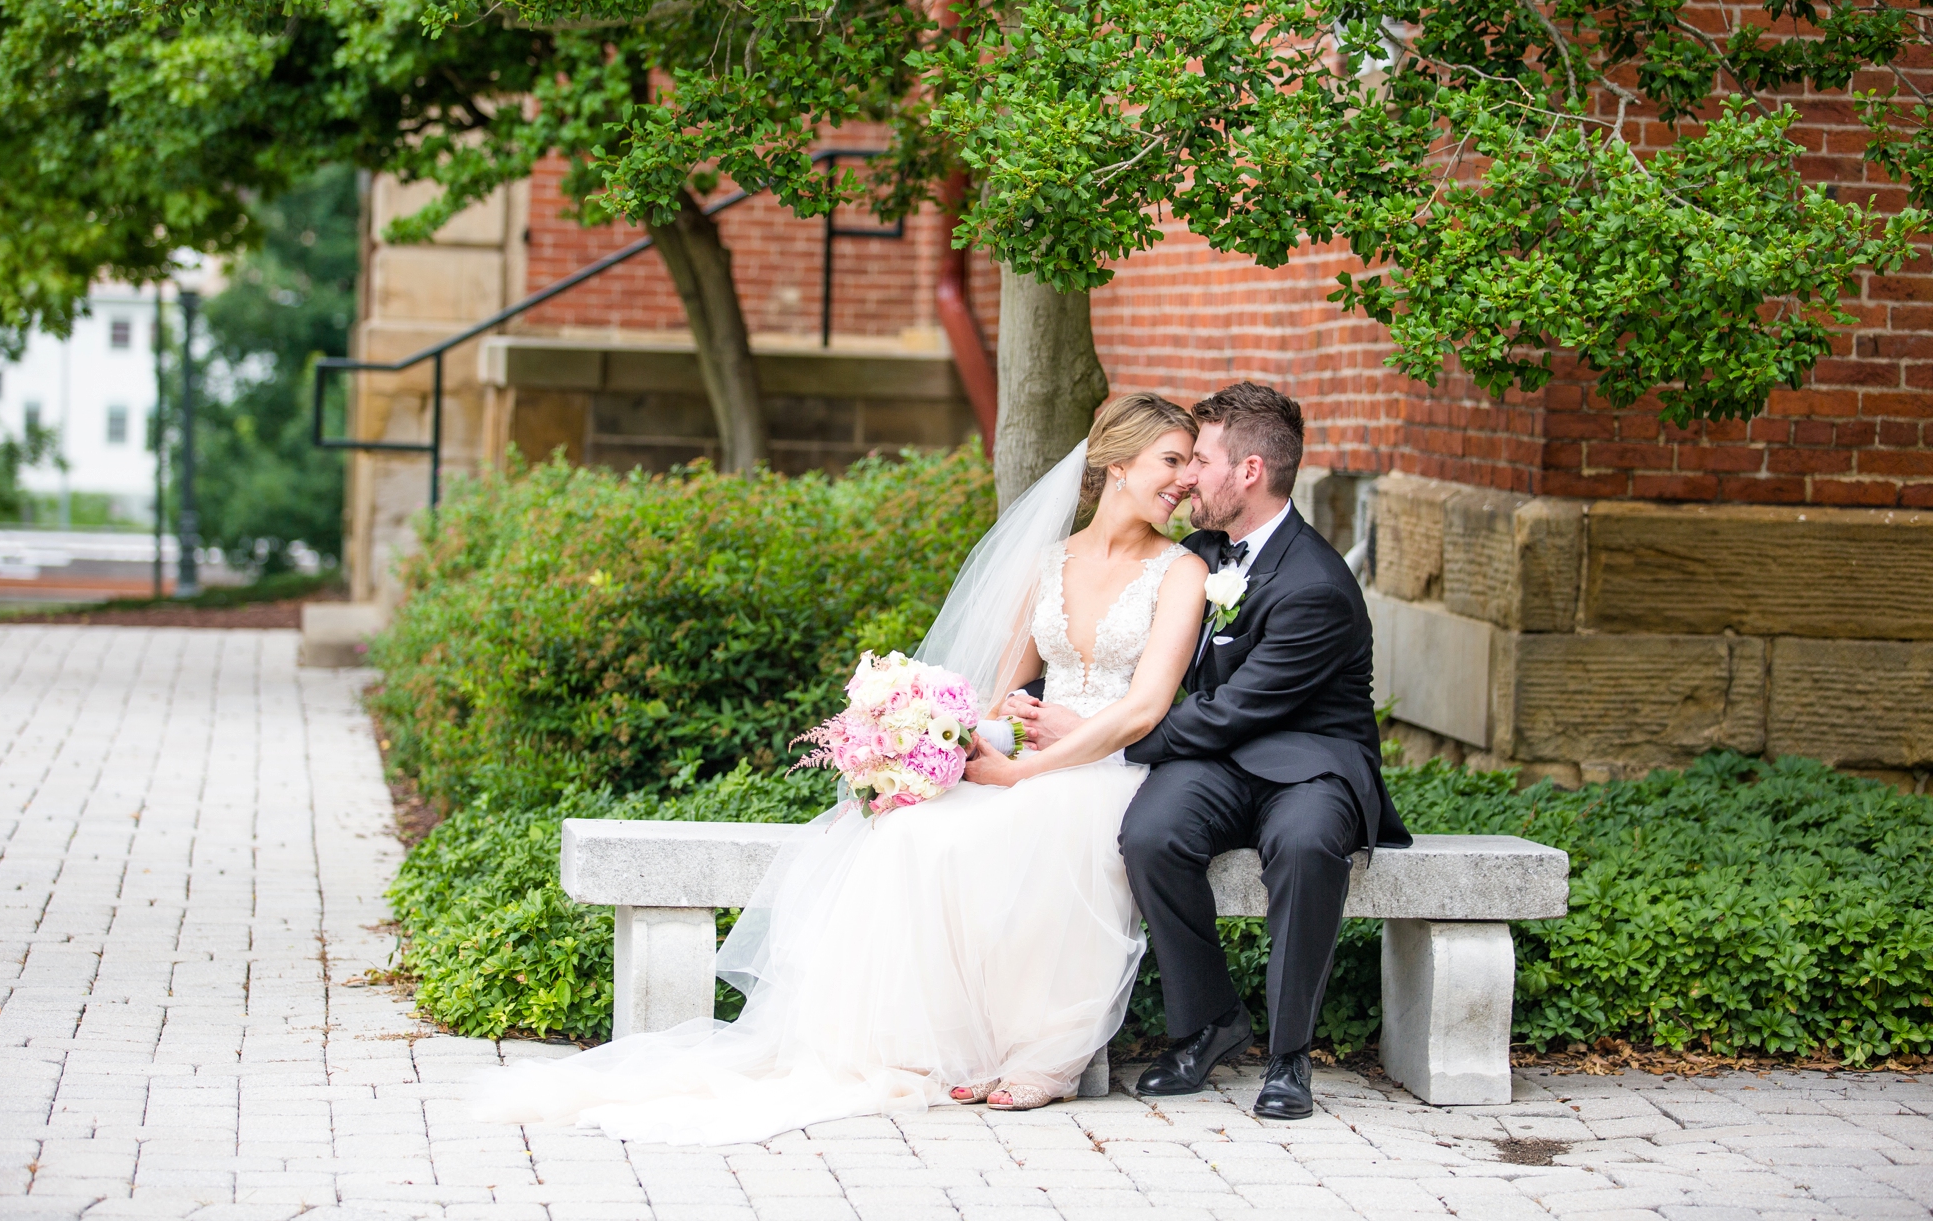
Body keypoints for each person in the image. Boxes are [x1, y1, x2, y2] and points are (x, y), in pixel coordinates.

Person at [471, 392, 1209, 1144]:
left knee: (1032, 824)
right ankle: (943, 1042)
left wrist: (1031, 770)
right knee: (917, 832)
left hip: (1108, 765)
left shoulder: (1180, 570)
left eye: (1190, 463)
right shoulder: (1052, 562)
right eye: (1172, 460)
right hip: (1030, 752)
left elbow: (1146, 707)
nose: (1186, 478)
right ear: (1118, 463)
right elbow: (1000, 690)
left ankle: (1042, 1052)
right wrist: (952, 745)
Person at [1008, 382, 1412, 1121]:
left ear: (1248, 473)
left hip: (1310, 764)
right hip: (1222, 763)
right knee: (1151, 833)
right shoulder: (1199, 552)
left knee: (1303, 844)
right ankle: (1208, 1023)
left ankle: (1290, 1056)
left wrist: (1097, 742)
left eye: (1201, 458)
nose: (1188, 474)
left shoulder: (1315, 584)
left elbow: (1228, 712)